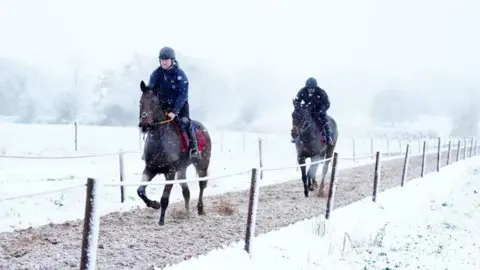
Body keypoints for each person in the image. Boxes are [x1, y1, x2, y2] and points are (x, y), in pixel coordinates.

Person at [146, 46, 200, 160]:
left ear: (172, 60)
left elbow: (183, 95)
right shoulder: (156, 74)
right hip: (162, 106)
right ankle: (148, 150)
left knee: (185, 122)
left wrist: (175, 111)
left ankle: (194, 149)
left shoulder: (180, 74)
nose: (164, 61)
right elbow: (150, 91)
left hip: (180, 105)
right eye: (162, 59)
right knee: (153, 124)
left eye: (166, 59)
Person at [291, 77, 334, 144]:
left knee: (324, 120)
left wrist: (321, 111)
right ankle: (295, 136)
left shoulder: (321, 92)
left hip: (319, 111)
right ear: (306, 87)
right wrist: (300, 107)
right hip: (307, 111)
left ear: (315, 87)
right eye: (309, 88)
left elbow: (327, 104)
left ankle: (329, 136)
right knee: (298, 119)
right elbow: (297, 101)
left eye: (313, 88)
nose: (311, 90)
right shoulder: (302, 91)